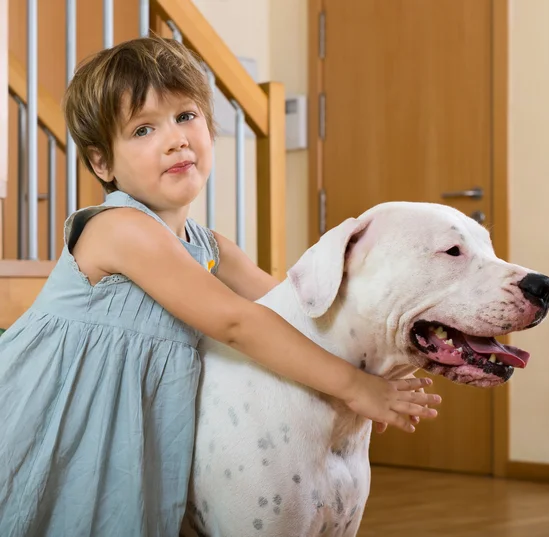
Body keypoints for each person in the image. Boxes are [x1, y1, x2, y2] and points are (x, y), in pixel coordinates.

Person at [0, 36, 441, 536]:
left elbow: (300, 315)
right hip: (54, 410)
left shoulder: (212, 249)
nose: (175, 139)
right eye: (143, 129)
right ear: (103, 164)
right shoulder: (117, 228)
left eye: (186, 117)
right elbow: (238, 323)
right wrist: (357, 387)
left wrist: (388, 346)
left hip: (125, 428)